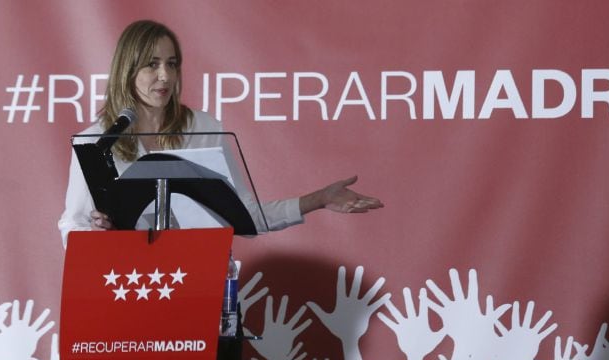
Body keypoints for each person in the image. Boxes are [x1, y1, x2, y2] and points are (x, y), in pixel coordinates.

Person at [57, 20, 383, 247]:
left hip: (198, 285)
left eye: (172, 64)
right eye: (152, 64)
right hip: (127, 290)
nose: (164, 75)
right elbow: (73, 226)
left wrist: (319, 200)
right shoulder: (97, 140)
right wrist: (97, 236)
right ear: (127, 70)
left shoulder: (204, 129)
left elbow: (246, 217)